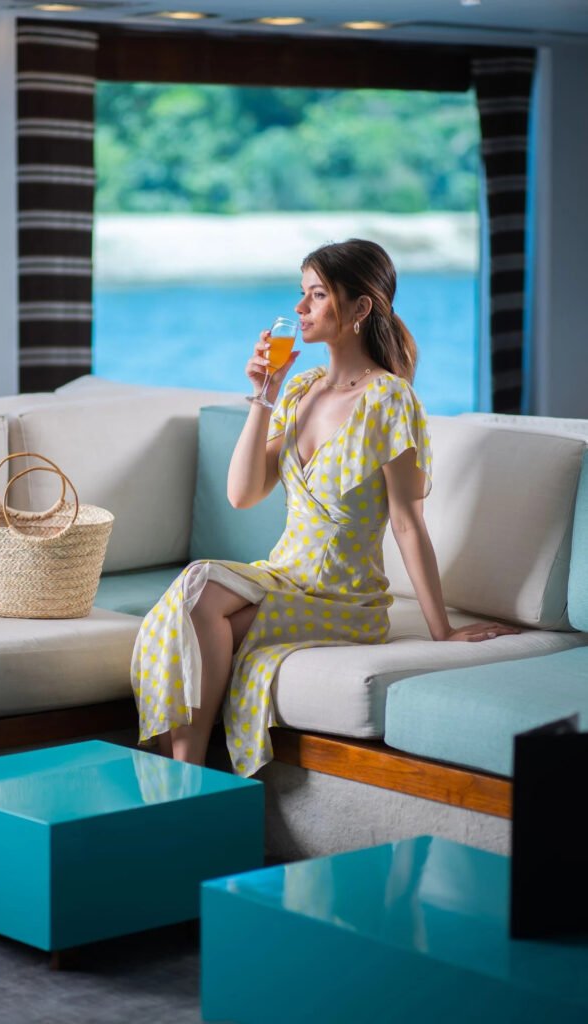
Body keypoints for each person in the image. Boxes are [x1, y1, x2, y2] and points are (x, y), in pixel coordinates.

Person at [131, 238, 518, 777]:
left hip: (346, 601)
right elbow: (243, 494)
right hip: (285, 578)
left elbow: (408, 524)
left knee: (192, 605)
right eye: (302, 294)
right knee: (195, 596)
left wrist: (442, 630)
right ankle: (187, 776)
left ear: (360, 308)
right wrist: (265, 394)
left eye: (317, 295)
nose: (300, 309)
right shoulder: (302, 389)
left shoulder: (389, 400)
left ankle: (184, 774)